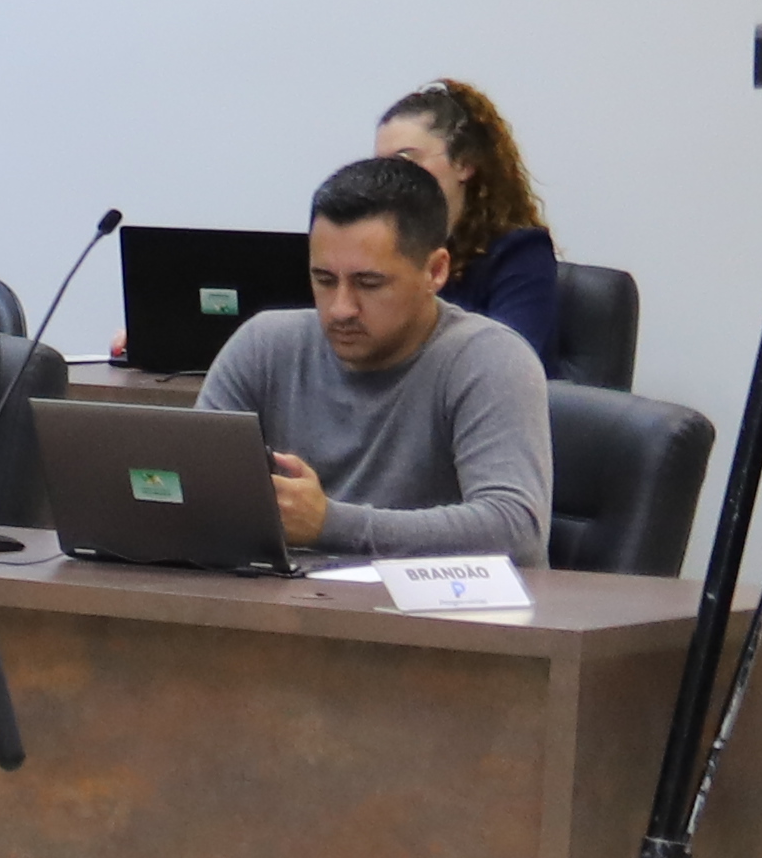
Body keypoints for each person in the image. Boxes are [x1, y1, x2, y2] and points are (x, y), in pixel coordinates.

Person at [207, 154, 552, 564]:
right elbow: (193, 486)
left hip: (438, 620)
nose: (340, 308)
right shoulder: (264, 345)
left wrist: (329, 524)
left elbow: (516, 529)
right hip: (288, 608)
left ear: (435, 271)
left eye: (368, 283)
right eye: (324, 280)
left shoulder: (489, 359)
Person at [376, 78, 568, 363]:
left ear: (464, 163)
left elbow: (507, 364)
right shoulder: (386, 249)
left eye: (405, 161)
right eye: (380, 166)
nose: (388, 179)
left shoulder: (521, 252)